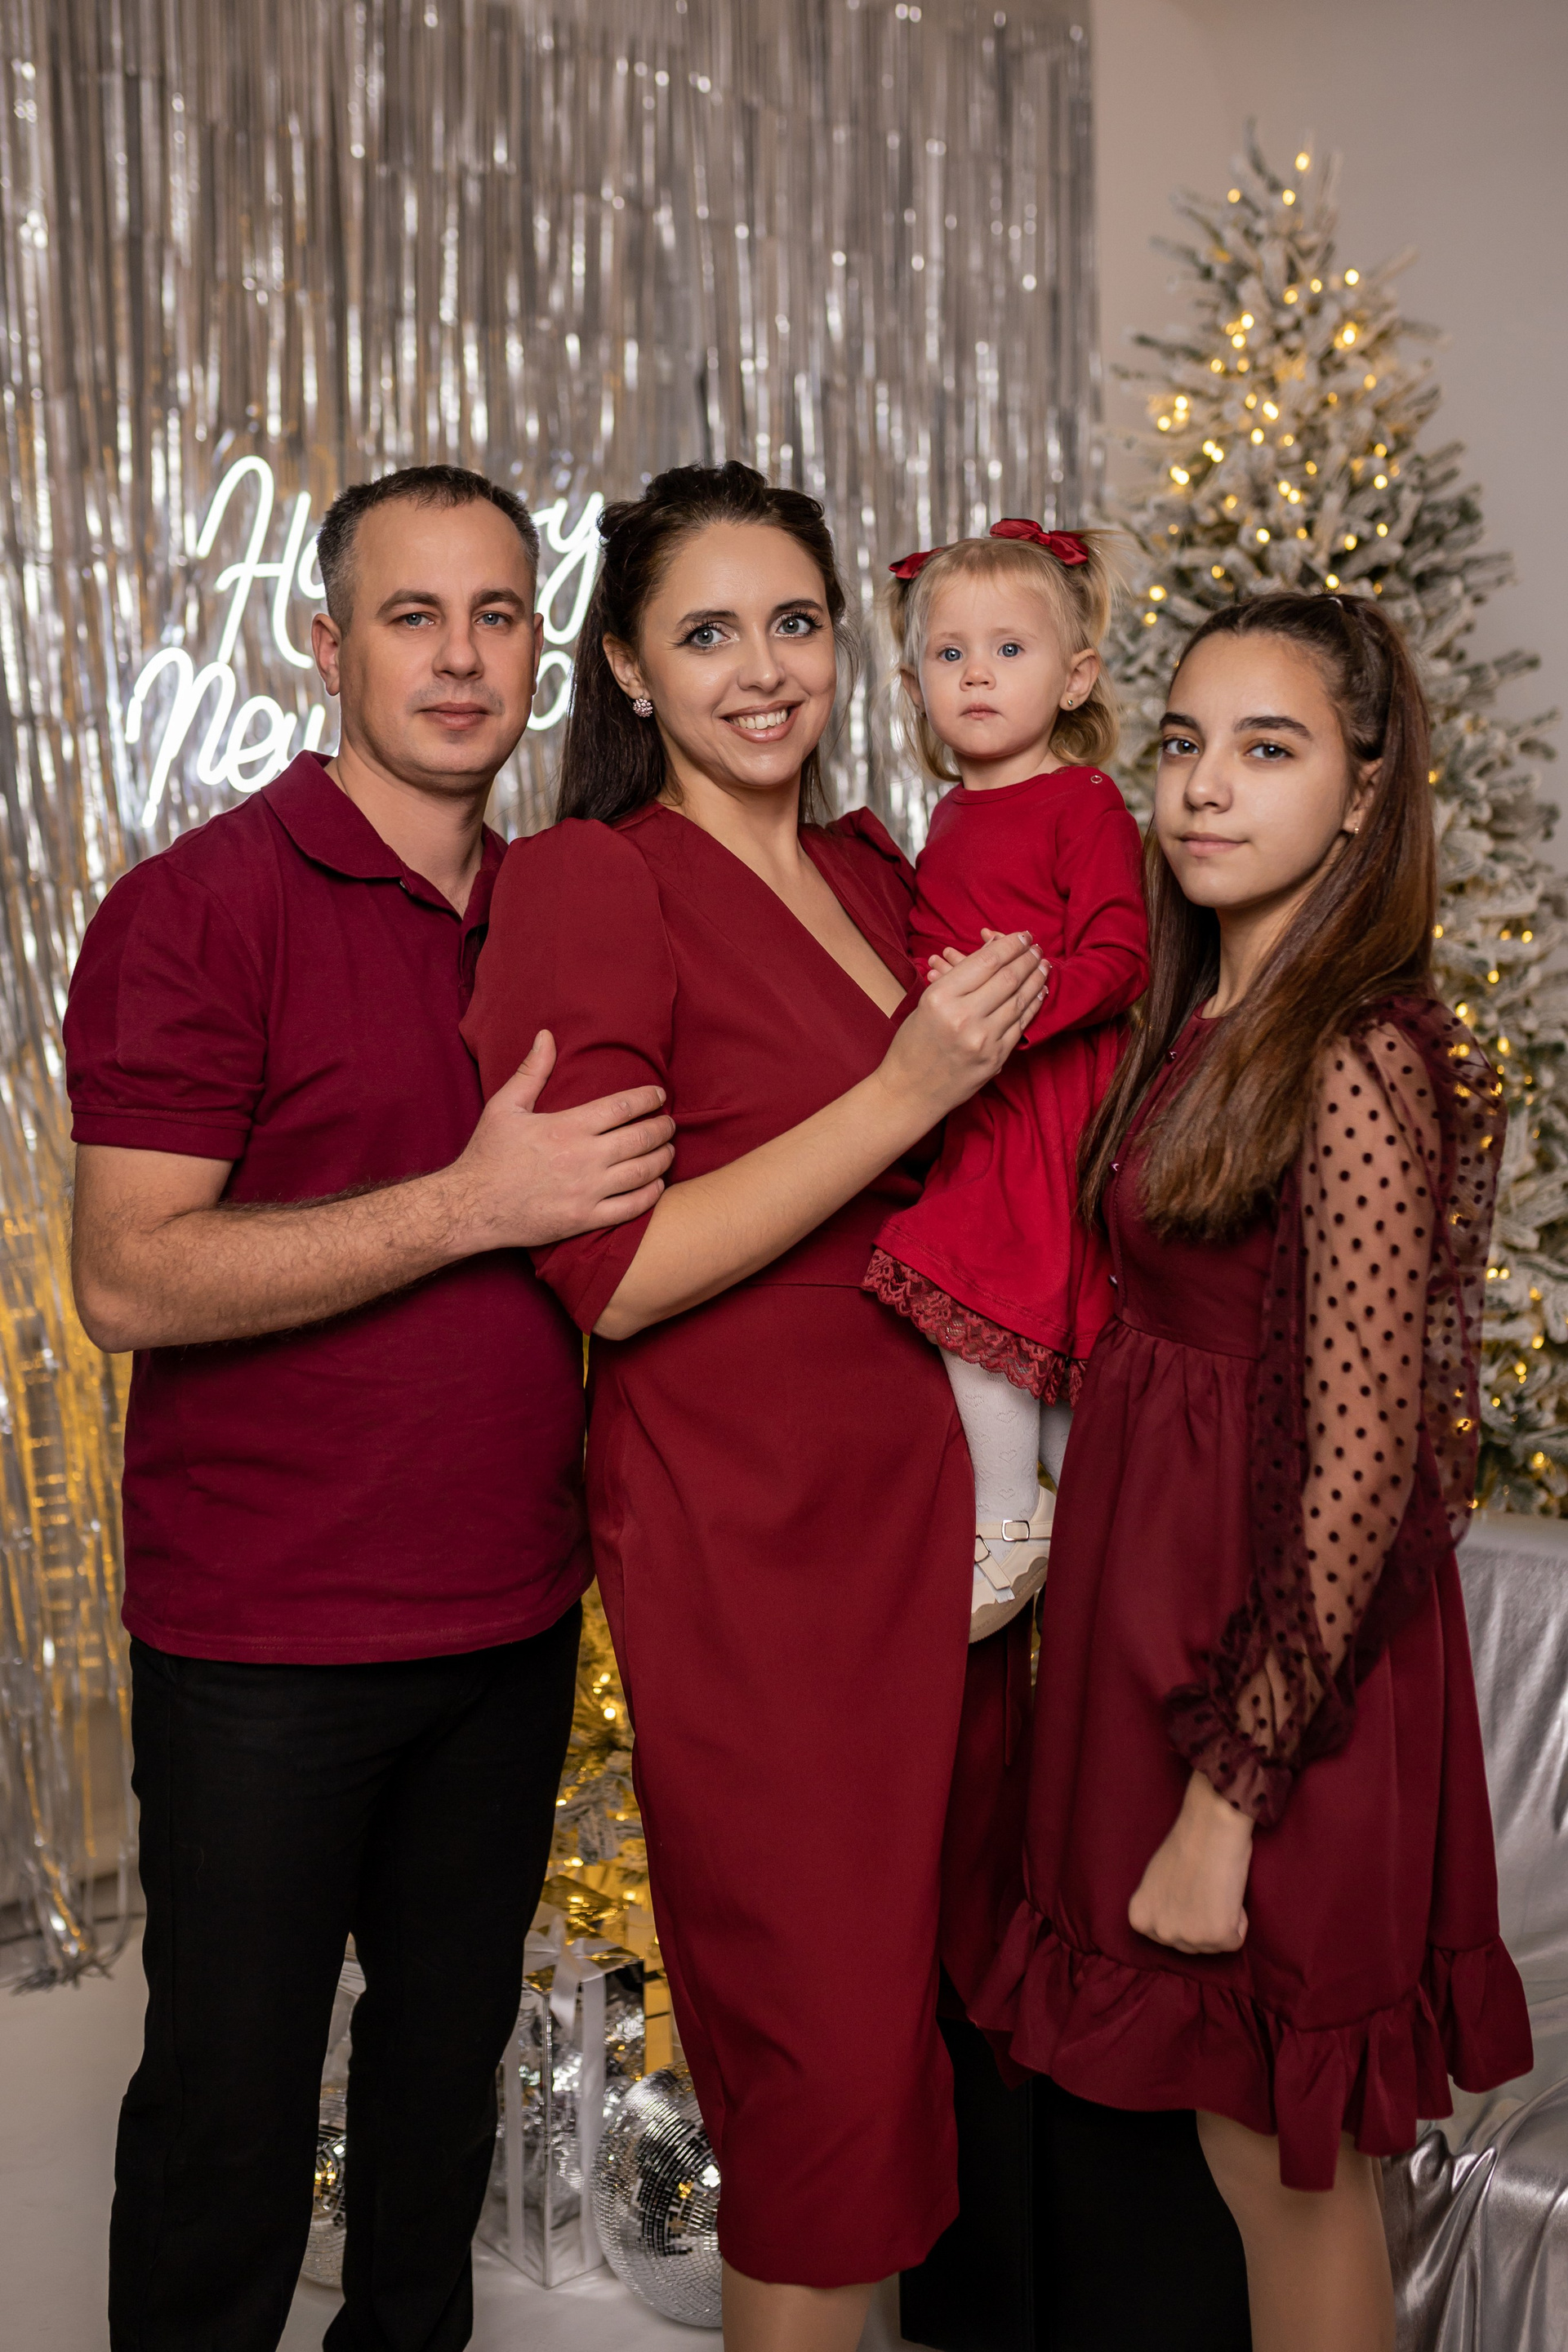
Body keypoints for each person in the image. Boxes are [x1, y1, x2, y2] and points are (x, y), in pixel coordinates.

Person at [65, 465, 675, 2352]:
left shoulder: (567, 905)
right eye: (415, 617)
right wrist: (472, 1206)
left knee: (436, 2118)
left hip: (508, 1618)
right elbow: (128, 1277)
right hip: (265, 1638)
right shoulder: (199, 907)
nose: (461, 658)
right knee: (231, 2128)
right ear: (325, 645)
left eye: (497, 616)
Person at [461, 461, 1045, 2352]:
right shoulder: (594, 882)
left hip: (958, 1532)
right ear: (630, 669)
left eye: (796, 622)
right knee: (823, 2085)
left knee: (934, 2058)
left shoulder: (880, 868)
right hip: (762, 1539)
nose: (764, 668)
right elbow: (615, 1273)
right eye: (707, 633)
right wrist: (901, 1091)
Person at [974, 590, 1532, 2352]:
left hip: (1278, 1682)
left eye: (1268, 750)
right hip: (1164, 1628)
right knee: (1223, 2157)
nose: (1206, 787)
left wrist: (1228, 1805)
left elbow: (1367, 1476)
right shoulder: (1203, 1017)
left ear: (1364, 793)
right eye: (1183, 743)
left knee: (1282, 2170)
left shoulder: (1360, 1056)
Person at [864, 520, 1147, 1636]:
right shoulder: (948, 816)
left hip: (1055, 1103)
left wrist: (1012, 1005)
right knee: (1022, 1329)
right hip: (982, 1101)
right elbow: (926, 949)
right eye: (951, 654)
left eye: (1009, 650)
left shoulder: (1084, 803)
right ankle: (1092, 1534)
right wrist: (928, 1008)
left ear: (1075, 677)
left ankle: (1007, 1519)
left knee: (979, 1289)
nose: (977, 674)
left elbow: (1121, 958)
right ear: (914, 687)